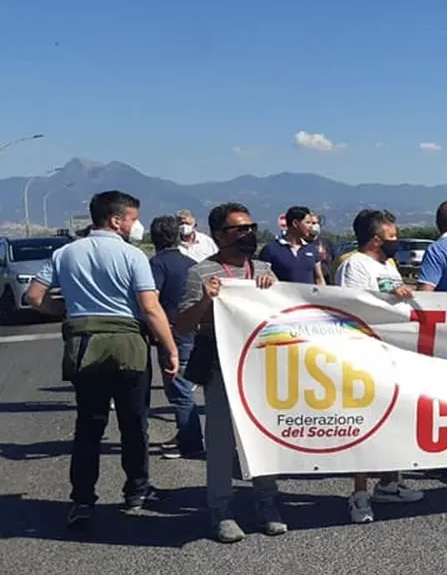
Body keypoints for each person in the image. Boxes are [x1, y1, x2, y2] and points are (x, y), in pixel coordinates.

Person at [24, 191, 178, 530]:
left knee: (89, 425)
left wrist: (62, 309)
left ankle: (82, 499)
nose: (135, 225)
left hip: (84, 345)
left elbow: (33, 296)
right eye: (133, 218)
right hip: (127, 344)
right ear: (116, 220)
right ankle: (136, 491)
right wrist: (169, 347)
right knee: (134, 424)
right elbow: (150, 308)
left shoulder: (64, 253)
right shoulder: (131, 256)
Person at [174, 203, 286, 543]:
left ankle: (267, 505)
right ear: (220, 235)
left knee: (263, 438)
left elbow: (285, 315)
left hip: (261, 366)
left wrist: (275, 293)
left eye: (251, 227)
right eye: (239, 228)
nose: (248, 233)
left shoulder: (265, 269)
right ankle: (220, 511)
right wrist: (207, 301)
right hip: (221, 366)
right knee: (221, 442)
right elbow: (183, 324)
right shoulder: (201, 273)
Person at [336, 209, 425, 524]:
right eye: (392, 236)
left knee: (392, 420)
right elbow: (351, 305)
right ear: (376, 239)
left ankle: (389, 482)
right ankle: (359, 493)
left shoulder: (386, 265)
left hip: (392, 353)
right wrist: (389, 295)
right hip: (364, 355)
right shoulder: (354, 266)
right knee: (364, 424)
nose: (396, 241)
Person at [148, 215, 203, 459]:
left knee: (179, 389)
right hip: (192, 329)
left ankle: (191, 443)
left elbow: (151, 299)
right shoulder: (192, 263)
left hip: (171, 332)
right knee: (182, 385)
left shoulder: (157, 265)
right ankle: (185, 434)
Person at [258, 206, 326, 284]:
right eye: (308, 223)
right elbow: (263, 276)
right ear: (295, 223)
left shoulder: (312, 250)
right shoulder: (270, 249)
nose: (311, 227)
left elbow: (319, 279)